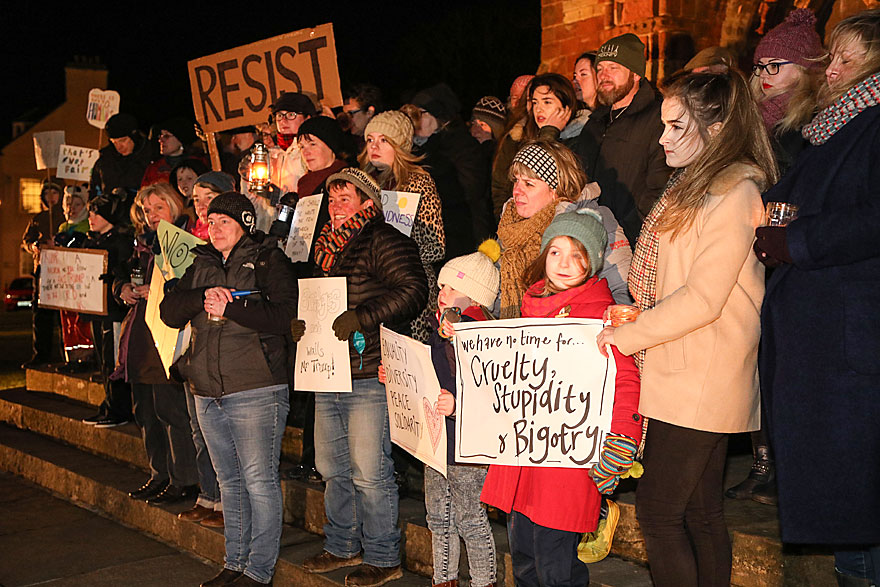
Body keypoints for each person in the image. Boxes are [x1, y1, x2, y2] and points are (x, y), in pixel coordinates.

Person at [597, 70, 777, 587]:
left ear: (717, 128)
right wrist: (639, 313)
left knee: (658, 513)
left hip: (701, 374)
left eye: (678, 127)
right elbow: (677, 281)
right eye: (663, 125)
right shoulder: (693, 184)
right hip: (683, 365)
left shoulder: (735, 190)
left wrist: (628, 335)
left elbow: (704, 297)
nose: (662, 138)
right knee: (700, 514)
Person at [754, 9, 880, 585]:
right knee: (847, 510)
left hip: (852, 346)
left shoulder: (873, 123)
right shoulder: (836, 126)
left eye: (844, 56)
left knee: (859, 499)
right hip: (827, 343)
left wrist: (795, 239)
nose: (830, 67)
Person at [482, 210, 642, 587]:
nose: (564, 264)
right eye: (555, 252)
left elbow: (626, 381)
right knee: (523, 560)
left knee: (556, 566)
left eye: (577, 254)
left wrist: (622, 438)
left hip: (567, 465)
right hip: (522, 459)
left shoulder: (603, 317)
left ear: (594, 261)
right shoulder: (527, 309)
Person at [161, 192, 300, 586]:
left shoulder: (269, 259)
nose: (214, 227)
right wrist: (200, 297)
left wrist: (231, 308)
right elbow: (169, 312)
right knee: (230, 482)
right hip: (206, 390)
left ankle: (259, 570)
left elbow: (286, 317)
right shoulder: (200, 262)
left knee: (258, 480)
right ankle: (234, 563)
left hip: (255, 389)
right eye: (210, 221)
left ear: (244, 223)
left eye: (224, 221)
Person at [301, 168, 427, 587]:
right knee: (331, 466)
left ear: (368, 204)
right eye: (331, 199)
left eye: (344, 198)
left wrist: (362, 317)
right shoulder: (324, 248)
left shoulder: (384, 240)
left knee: (369, 471)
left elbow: (413, 290)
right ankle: (341, 546)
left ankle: (383, 556)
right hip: (329, 370)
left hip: (370, 370)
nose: (335, 207)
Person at [378, 242, 501, 587]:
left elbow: (493, 391)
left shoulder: (482, 335)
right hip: (437, 443)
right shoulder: (440, 331)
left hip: (465, 447)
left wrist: (459, 405)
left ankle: (482, 582)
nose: (442, 292)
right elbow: (427, 376)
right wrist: (397, 376)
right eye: (442, 285)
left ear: (475, 298)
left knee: (469, 518)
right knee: (438, 517)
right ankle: (443, 579)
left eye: (452, 287)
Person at [117, 183, 198, 505]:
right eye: (146, 209)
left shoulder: (184, 242)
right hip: (140, 336)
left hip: (166, 337)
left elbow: (190, 287)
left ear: (173, 206)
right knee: (147, 412)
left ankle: (185, 479)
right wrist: (122, 288)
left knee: (170, 411)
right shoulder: (142, 245)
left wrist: (160, 292)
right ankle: (159, 474)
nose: (151, 215)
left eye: (158, 208)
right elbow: (121, 276)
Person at [497, 140, 631, 318]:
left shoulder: (593, 222)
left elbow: (623, 290)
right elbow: (493, 298)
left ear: (556, 189)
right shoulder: (510, 229)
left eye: (528, 184)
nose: (516, 191)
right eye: (516, 181)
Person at [574, 33, 671, 247]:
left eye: (613, 68)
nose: (604, 75)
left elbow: (660, 189)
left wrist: (628, 233)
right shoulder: (594, 123)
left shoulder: (658, 118)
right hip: (588, 240)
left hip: (631, 243)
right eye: (599, 68)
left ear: (636, 74)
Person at [361, 110, 445, 342]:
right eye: (370, 140)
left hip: (410, 294)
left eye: (384, 140)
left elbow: (435, 246)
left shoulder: (417, 182)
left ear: (400, 145)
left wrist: (398, 259)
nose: (374, 146)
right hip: (374, 293)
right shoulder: (364, 185)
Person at [411, 83, 494, 256]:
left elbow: (472, 190)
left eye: (421, 114)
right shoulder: (418, 149)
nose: (415, 121)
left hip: (464, 236)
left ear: (438, 116)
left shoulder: (462, 146)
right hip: (437, 237)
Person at [491, 74, 579, 221]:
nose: (539, 109)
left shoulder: (579, 139)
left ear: (566, 106)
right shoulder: (518, 136)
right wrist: (507, 221)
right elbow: (501, 187)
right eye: (535, 102)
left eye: (547, 102)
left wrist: (550, 132)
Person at [79, 196, 135, 429]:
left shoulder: (121, 244)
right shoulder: (93, 241)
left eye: (96, 213)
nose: (90, 218)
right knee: (105, 361)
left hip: (113, 312)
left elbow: (122, 273)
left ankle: (118, 408)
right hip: (98, 310)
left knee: (115, 360)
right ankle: (109, 404)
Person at [750, 8, 824, 174]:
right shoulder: (749, 110)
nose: (764, 75)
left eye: (774, 66)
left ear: (803, 68)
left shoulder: (812, 120)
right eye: (761, 66)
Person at [20, 178, 65, 368]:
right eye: (47, 194)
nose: (51, 198)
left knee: (65, 318)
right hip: (42, 270)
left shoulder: (67, 216)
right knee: (41, 316)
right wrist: (34, 246)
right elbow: (26, 241)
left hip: (64, 271)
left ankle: (69, 354)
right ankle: (41, 354)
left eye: (55, 193)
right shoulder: (38, 218)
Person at [54, 185, 94, 372]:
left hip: (81, 281)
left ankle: (86, 357)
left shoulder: (87, 225)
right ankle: (72, 356)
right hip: (65, 280)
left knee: (81, 321)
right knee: (67, 320)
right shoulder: (63, 226)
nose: (73, 208)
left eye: (78, 204)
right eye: (69, 203)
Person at [89, 112, 151, 199]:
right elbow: (94, 189)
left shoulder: (151, 158)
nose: (119, 147)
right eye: (114, 142)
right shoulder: (105, 160)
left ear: (134, 136)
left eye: (123, 140)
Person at [268, 92, 317, 195]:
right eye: (279, 115)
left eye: (291, 115)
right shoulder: (272, 155)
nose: (283, 120)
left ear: (307, 119)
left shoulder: (312, 151)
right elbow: (260, 207)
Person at [141, 117, 206, 187]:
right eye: (160, 136)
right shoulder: (154, 168)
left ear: (181, 140)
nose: (160, 140)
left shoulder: (199, 163)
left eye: (166, 136)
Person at [190, 171, 236, 242]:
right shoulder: (194, 235)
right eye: (197, 200)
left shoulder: (233, 238)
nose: (201, 206)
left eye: (209, 198)